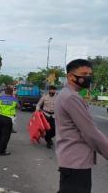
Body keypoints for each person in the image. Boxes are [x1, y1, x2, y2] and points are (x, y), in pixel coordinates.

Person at [55, 59, 108, 193]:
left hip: (72, 161)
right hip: (76, 164)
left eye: (90, 74)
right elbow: (91, 133)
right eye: (84, 74)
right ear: (70, 76)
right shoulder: (71, 98)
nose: (88, 77)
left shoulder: (67, 95)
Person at [0, 87, 18, 156]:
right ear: (12, 92)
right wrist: (14, 97)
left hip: (0, 118)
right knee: (5, 135)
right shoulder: (14, 99)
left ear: (5, 92)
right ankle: (2, 151)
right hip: (8, 119)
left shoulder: (0, 98)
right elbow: (18, 106)